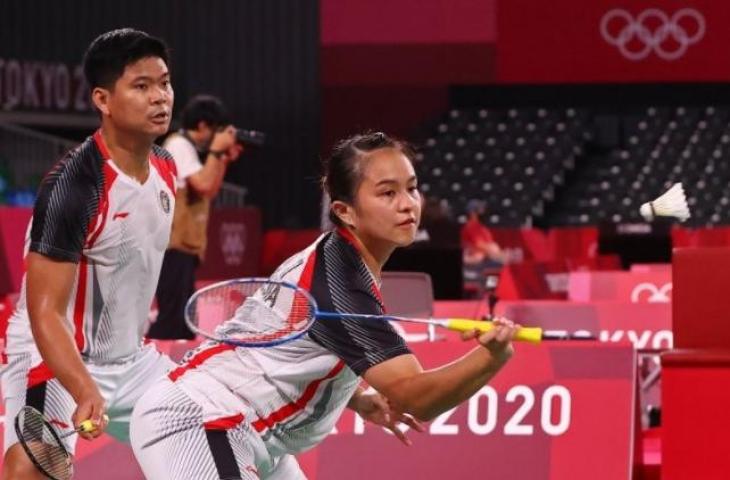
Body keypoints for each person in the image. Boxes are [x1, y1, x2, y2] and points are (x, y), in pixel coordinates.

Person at [130, 131, 520, 479]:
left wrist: (356, 398)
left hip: (256, 436)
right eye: (388, 193)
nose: (408, 205)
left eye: (412, 188)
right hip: (202, 420)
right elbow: (416, 398)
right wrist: (492, 357)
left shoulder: (339, 261)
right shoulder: (340, 284)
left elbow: (288, 347)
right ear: (344, 211)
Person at [1, 28, 177, 479]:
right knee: (35, 464)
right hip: (57, 354)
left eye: (164, 82)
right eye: (141, 86)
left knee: (218, 427)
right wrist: (82, 386)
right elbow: (44, 313)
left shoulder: (165, 167)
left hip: (133, 360)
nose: (160, 97)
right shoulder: (75, 186)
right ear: (103, 99)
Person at [147, 95, 242, 340]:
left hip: (184, 248)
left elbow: (210, 190)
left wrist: (221, 158)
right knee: (172, 319)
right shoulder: (178, 144)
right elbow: (202, 183)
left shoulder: (187, 149)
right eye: (216, 130)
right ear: (202, 126)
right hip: (171, 247)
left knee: (183, 321)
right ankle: (155, 367)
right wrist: (216, 151)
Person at [461, 199, 508, 267]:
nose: (483, 211)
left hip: (485, 258)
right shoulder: (470, 226)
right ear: (472, 212)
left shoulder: (482, 228)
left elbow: (490, 244)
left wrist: (498, 253)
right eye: (479, 209)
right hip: (474, 259)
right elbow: (479, 245)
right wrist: (498, 255)